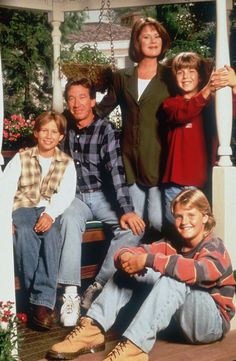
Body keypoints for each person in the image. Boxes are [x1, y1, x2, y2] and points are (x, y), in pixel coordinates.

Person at [47, 188, 235, 361]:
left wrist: (148, 260)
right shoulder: (173, 243)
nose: (184, 222)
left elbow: (198, 272)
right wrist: (127, 258)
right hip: (181, 321)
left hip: (210, 325)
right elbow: (139, 250)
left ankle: (135, 347)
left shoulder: (215, 247)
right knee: (131, 270)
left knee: (174, 275)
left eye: (191, 215)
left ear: (205, 217)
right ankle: (92, 329)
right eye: (179, 216)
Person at [58, 78, 145, 326]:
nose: (77, 103)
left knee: (132, 228)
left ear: (93, 101)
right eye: (72, 98)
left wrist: (126, 210)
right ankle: (70, 295)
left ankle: (97, 285)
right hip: (74, 197)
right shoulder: (65, 127)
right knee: (68, 220)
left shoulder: (104, 129)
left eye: (82, 97)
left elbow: (117, 171)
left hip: (101, 195)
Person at [1, 111, 76, 331]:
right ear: (36, 133)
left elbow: (65, 194)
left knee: (51, 235)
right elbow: (5, 190)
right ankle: (37, 300)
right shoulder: (22, 158)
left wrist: (50, 214)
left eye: (54, 131)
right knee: (24, 233)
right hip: (22, 207)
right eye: (44, 130)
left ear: (61, 136)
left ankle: (39, 303)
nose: (48, 135)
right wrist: (5, 219)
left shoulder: (66, 162)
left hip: (48, 208)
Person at [95, 17, 170, 233]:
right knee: (134, 226)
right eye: (146, 36)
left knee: (157, 221)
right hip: (129, 162)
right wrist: (63, 124)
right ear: (136, 42)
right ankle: (134, 264)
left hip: (159, 161)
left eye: (157, 36)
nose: (152, 41)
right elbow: (101, 111)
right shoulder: (122, 78)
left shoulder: (171, 76)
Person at [159, 52, 219, 226]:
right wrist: (207, 90)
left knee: (200, 232)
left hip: (201, 183)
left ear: (200, 76)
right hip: (174, 185)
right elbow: (183, 114)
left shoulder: (212, 103)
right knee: (174, 230)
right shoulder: (170, 104)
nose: (186, 76)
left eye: (191, 71)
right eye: (180, 72)